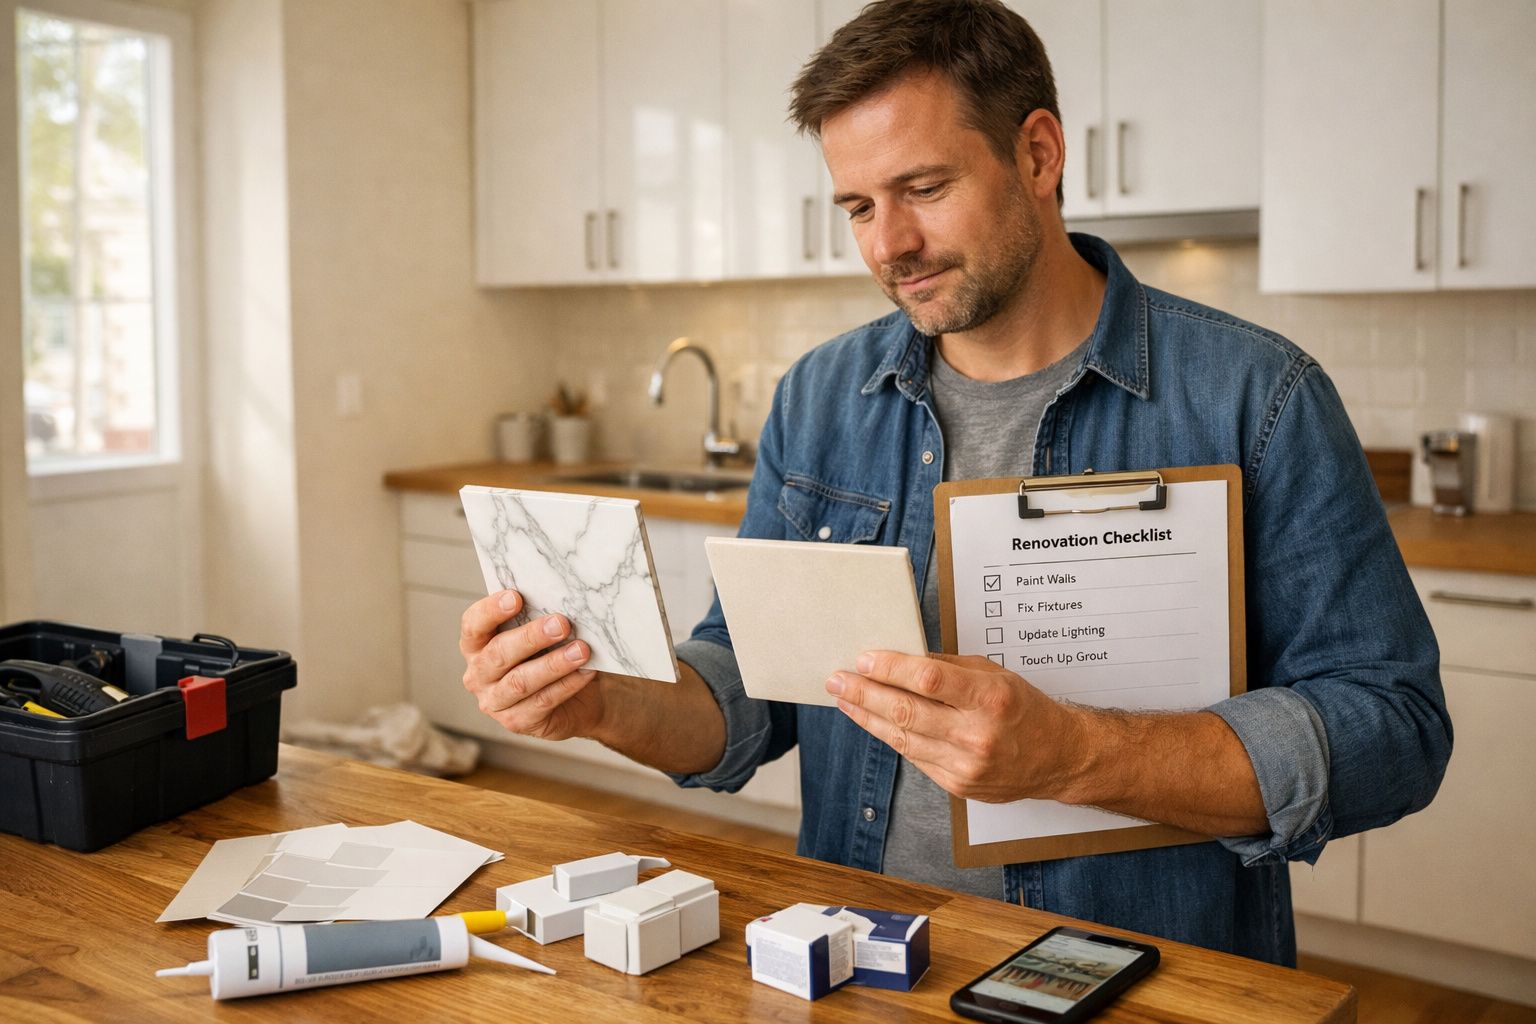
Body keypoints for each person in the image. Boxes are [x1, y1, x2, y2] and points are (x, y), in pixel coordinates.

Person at [459, 0, 1450, 965]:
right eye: (859, 206)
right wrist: (600, 700)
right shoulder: (820, 399)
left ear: (1039, 154)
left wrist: (1075, 755)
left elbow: (1395, 729)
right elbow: (750, 692)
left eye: (924, 188)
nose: (888, 244)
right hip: (863, 955)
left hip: (1140, 973)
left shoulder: (1256, 396)